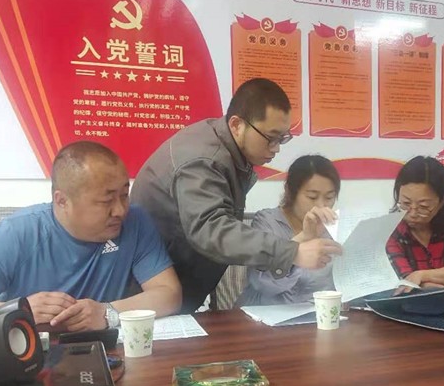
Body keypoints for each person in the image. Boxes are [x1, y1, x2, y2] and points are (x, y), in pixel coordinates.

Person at [0, 141, 182, 336]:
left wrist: (107, 312)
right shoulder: (16, 234)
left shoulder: (135, 223)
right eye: (106, 201)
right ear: (62, 200)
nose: (120, 210)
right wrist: (19, 311)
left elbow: (169, 294)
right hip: (29, 358)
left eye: (124, 195)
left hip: (106, 356)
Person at [131, 77, 342, 313]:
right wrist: (292, 252)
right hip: (149, 289)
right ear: (236, 125)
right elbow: (211, 229)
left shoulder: (227, 151)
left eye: (282, 138)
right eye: (270, 138)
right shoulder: (203, 160)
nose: (276, 148)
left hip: (177, 287)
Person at [238, 155, 340, 306]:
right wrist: (303, 238)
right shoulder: (267, 222)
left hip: (315, 314)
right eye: (312, 197)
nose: (321, 205)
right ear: (290, 192)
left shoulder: (335, 228)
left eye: (329, 197)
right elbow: (263, 284)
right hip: (266, 313)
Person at [386, 156, 444, 289]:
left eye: (423, 206)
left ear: (442, 201)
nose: (412, 213)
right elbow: (406, 280)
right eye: (405, 204)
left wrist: (421, 275)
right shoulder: (390, 227)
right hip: (413, 300)